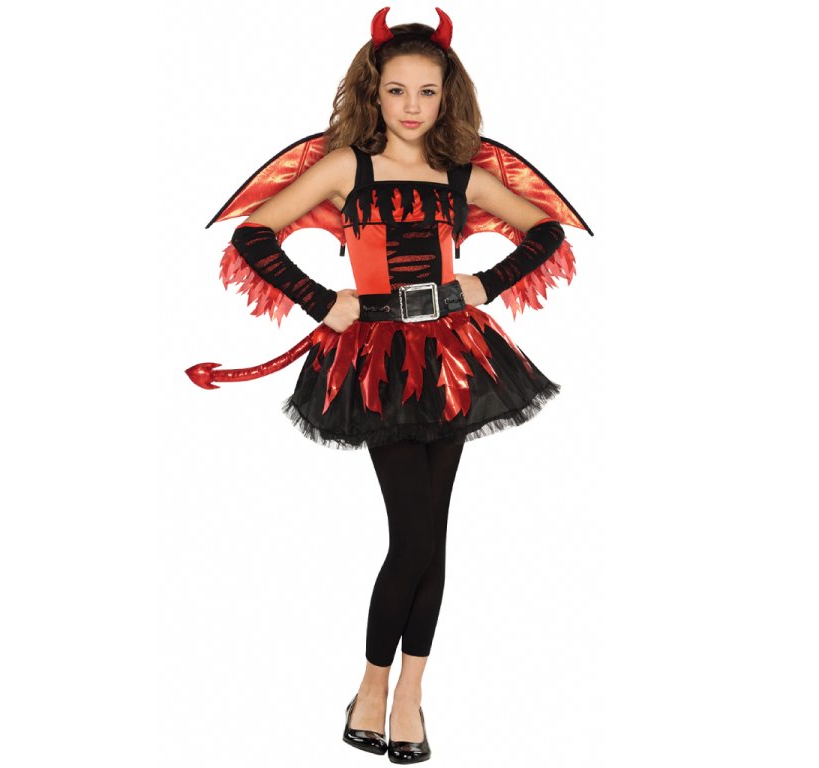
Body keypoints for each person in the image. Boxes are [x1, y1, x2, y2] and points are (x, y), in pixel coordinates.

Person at [200, 7, 589, 762]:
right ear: (372, 94)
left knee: (430, 533)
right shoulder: (347, 168)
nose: (412, 106)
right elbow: (253, 234)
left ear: (448, 97)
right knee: (414, 533)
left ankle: (406, 692)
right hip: (376, 357)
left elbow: (547, 230)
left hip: (451, 354)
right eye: (397, 91)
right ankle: (373, 685)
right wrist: (322, 300)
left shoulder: (460, 176)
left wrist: (485, 284)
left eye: (428, 92)